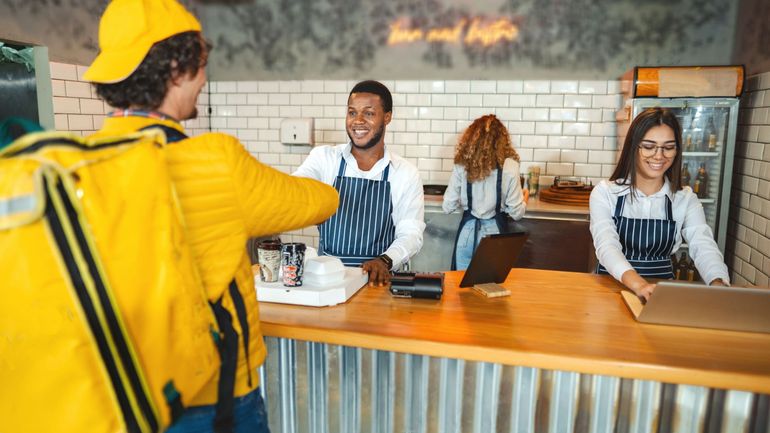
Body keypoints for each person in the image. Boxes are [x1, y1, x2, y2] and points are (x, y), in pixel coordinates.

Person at [83, 0, 339, 431]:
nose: (204, 79)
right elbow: (316, 202)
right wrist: (331, 180)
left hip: (121, 393)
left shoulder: (79, 163)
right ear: (179, 68)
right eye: (201, 65)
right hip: (211, 397)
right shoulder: (214, 162)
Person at [590, 107, 729, 301]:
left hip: (660, 293)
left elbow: (703, 244)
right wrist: (639, 285)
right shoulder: (606, 192)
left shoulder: (685, 198)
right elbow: (607, 246)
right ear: (633, 147)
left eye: (668, 147)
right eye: (648, 146)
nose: (659, 155)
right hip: (609, 289)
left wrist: (718, 282)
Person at [293, 80, 425, 285]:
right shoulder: (324, 158)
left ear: (387, 117)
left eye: (369, 113)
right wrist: (310, 205)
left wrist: (385, 260)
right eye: (352, 112)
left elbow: (411, 233)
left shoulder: (405, 173)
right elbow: (297, 187)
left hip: (377, 281)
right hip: (328, 280)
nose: (358, 121)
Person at [442, 114, 528, 270]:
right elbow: (517, 213)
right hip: (494, 238)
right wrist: (525, 198)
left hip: (466, 235)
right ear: (502, 140)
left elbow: (448, 206)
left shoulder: (462, 164)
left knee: (461, 289)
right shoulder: (510, 166)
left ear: (472, 138)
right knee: (490, 288)